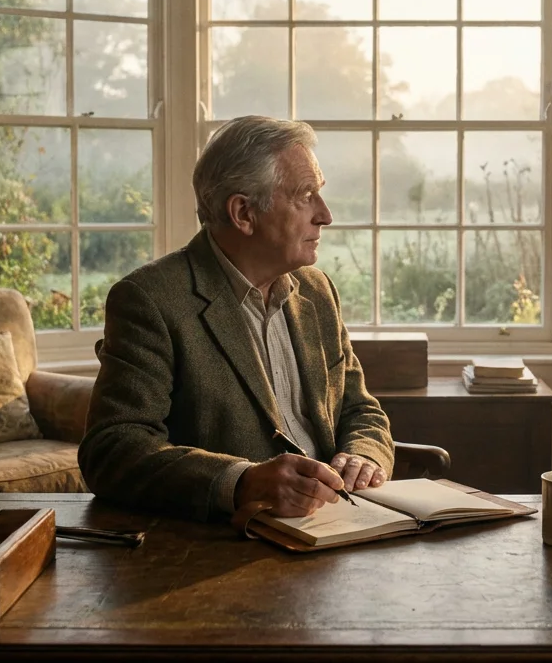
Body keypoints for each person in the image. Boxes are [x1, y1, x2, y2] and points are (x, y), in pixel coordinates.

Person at [78, 115, 394, 522]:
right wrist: (241, 482)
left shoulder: (316, 291)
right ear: (244, 213)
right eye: (306, 195)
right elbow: (112, 448)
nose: (325, 215)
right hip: (227, 546)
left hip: (342, 527)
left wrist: (364, 455)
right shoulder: (149, 300)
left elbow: (360, 409)